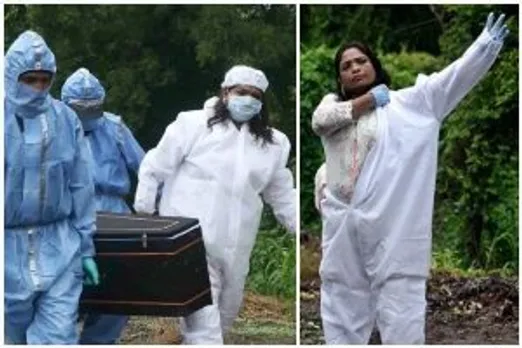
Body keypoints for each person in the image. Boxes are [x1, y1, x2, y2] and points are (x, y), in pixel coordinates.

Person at [311, 13, 509, 344]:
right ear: (340, 79)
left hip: (392, 226)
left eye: (361, 61)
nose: (355, 68)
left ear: (374, 65)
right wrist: (368, 101)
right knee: (341, 309)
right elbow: (321, 122)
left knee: (401, 311)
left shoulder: (409, 105)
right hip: (342, 228)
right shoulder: (333, 108)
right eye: (346, 66)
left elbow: (451, 80)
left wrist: (484, 48)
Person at [134, 65, 296, 344]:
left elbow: (281, 194)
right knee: (205, 329)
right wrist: (146, 214)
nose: (248, 100)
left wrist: (300, 228)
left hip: (236, 249)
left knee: (221, 320)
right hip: (189, 242)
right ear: (225, 93)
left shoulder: (273, 144)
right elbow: (154, 165)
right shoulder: (192, 125)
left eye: (255, 95)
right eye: (241, 92)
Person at [4, 30, 99, 344]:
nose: (39, 88)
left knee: (58, 336)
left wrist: (86, 248)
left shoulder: (65, 119)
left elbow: (81, 186)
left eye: (45, 80)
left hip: (59, 246)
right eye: (30, 79)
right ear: (11, 74)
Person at [60, 67, 145, 344]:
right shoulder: (53, 128)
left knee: (117, 295)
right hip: (67, 219)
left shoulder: (115, 128)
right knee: (62, 295)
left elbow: (147, 168)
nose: (87, 114)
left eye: (93, 108)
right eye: (79, 109)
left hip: (114, 216)